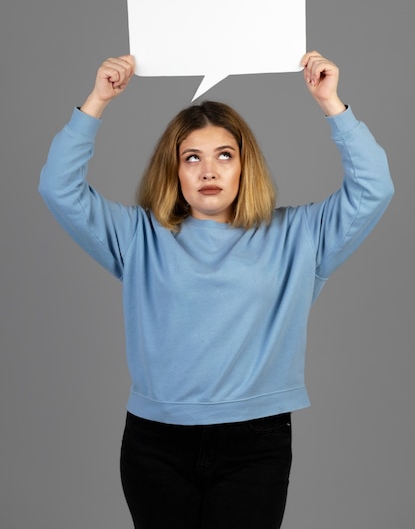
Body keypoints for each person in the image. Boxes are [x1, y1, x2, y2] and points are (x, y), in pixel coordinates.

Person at [39, 51, 394, 529]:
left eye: (224, 155)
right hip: (155, 444)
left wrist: (330, 102)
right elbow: (58, 188)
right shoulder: (139, 237)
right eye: (193, 158)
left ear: (245, 166)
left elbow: (374, 188)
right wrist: (97, 99)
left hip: (255, 444)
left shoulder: (299, 235)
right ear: (176, 171)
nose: (209, 172)